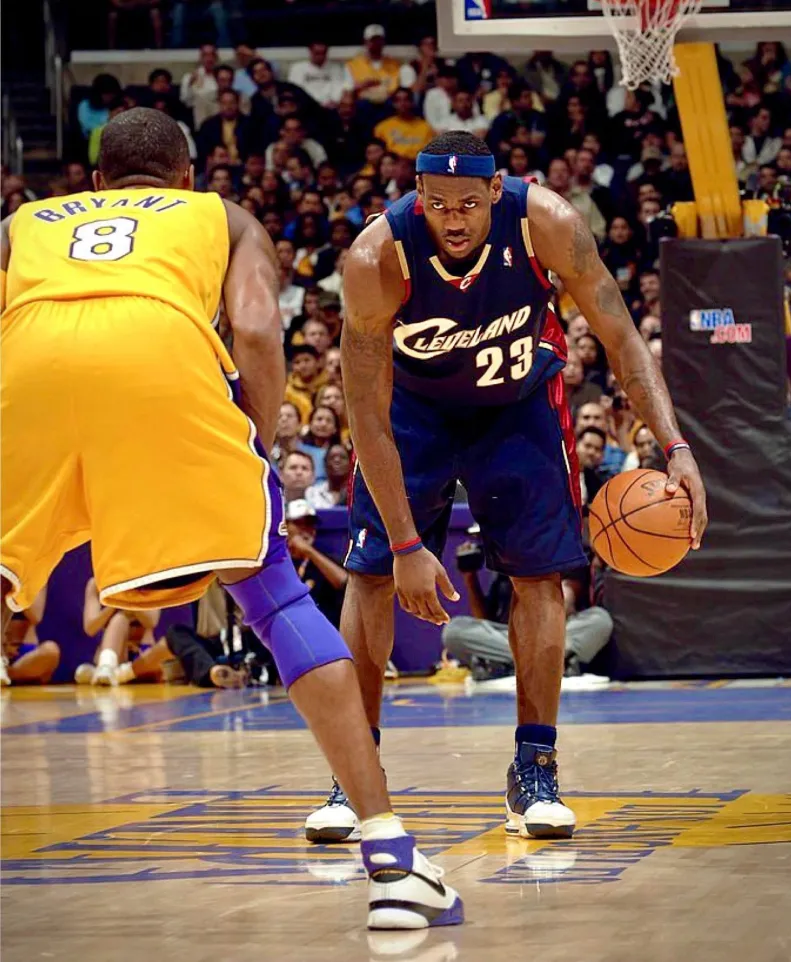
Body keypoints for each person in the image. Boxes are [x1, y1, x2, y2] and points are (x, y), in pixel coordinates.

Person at [0, 107, 461, 929]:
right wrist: (252, 423)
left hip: (26, 370)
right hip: (160, 364)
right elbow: (251, 323)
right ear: (185, 177)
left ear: (97, 182)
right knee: (274, 596)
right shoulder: (223, 215)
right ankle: (391, 861)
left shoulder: (23, 223)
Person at [305, 130, 706, 845]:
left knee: (540, 578)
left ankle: (535, 766)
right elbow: (364, 410)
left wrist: (673, 445)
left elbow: (618, 338)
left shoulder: (546, 223)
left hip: (517, 404)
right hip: (411, 413)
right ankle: (354, 775)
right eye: (436, 204)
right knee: (368, 578)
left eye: (466, 203)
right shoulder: (376, 255)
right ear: (415, 198)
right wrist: (403, 543)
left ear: (495, 191)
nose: (452, 219)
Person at [442, 534, 612, 681]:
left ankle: (512, 663)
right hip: (511, 636)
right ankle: (553, 660)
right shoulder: (502, 558)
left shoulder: (565, 547)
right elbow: (484, 620)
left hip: (556, 630)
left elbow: (565, 602)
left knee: (600, 620)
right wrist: (470, 578)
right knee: (454, 630)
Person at [75, 577, 167, 685]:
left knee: (162, 652)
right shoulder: (96, 584)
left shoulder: (147, 579)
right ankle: (106, 666)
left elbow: (151, 621)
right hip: (116, 653)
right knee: (120, 619)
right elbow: (90, 628)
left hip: (141, 653)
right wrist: (113, 604)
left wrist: (126, 596)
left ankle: (101, 673)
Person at [286, 499, 348, 627]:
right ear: (285, 526)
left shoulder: (324, 559)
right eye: (298, 523)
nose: (305, 530)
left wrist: (308, 551)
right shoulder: (278, 561)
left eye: (309, 524)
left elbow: (345, 583)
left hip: (322, 628)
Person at [1, 587, 60, 686]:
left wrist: (16, 585)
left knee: (51, 650)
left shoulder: (35, 576)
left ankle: (8, 674)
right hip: (2, 648)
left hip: (23, 652)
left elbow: (36, 616)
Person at [373, 88, 436, 161]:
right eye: (398, 100)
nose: (402, 103)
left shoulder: (427, 127)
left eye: (406, 99)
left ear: (412, 102)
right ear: (393, 104)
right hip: (392, 166)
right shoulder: (382, 127)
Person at [288, 41, 349, 110]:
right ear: (310, 52)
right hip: (307, 107)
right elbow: (296, 90)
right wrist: (317, 104)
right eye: (317, 53)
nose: (320, 56)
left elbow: (338, 88)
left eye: (323, 53)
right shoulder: (298, 68)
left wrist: (334, 101)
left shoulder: (335, 68)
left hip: (330, 107)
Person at [180, 43, 220, 130]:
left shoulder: (223, 76)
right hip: (200, 118)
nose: (209, 59)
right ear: (200, 58)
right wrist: (190, 85)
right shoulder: (190, 77)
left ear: (217, 58)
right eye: (205, 55)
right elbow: (186, 102)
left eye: (212, 55)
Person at [305, 443, 352, 508]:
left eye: (343, 457)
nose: (337, 460)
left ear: (350, 464)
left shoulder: (357, 494)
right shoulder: (312, 493)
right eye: (332, 457)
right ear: (325, 464)